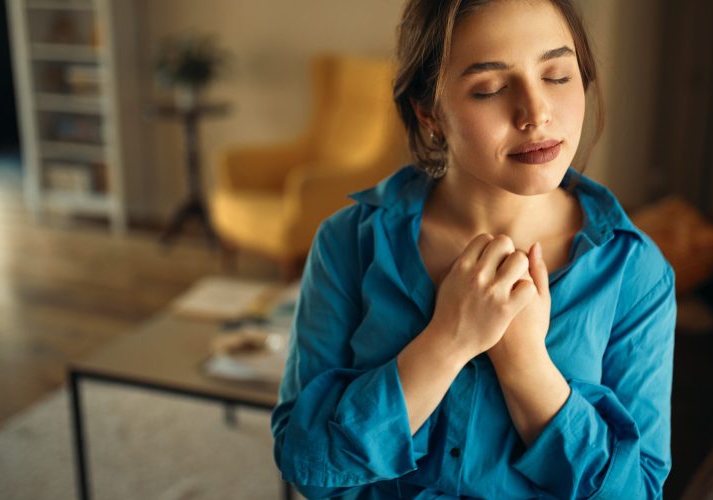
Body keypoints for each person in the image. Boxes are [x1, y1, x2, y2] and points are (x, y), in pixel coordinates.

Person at [271, 0, 676, 498]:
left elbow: (637, 491)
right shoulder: (347, 243)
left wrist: (525, 363)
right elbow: (306, 464)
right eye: (490, 88)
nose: (537, 113)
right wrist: (448, 340)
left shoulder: (635, 273)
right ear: (429, 113)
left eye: (557, 75)